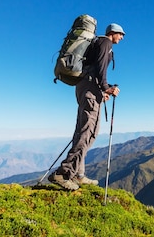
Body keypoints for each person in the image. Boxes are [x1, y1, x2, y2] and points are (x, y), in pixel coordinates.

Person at [48, 23, 126, 190]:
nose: (122, 37)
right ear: (113, 32)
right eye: (121, 34)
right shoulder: (106, 43)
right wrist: (106, 88)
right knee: (87, 132)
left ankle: (78, 174)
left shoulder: (98, 43)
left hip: (86, 88)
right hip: (90, 88)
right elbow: (100, 67)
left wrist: (101, 91)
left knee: (85, 131)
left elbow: (94, 68)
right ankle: (63, 173)